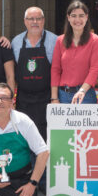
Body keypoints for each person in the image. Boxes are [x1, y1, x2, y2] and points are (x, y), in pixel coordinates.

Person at [12, 7, 57, 139]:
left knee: (44, 137)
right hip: (23, 100)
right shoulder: (16, 42)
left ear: (43, 20)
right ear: (25, 21)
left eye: (38, 18)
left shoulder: (54, 41)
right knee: (24, 136)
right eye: (31, 19)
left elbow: (58, 70)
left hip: (46, 99)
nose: (35, 22)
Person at [51, 0, 98, 105]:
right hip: (63, 96)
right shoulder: (60, 40)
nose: (77, 19)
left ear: (86, 17)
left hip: (86, 95)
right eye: (73, 16)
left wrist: (82, 91)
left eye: (81, 16)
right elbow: (55, 70)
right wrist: (54, 98)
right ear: (68, 17)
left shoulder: (95, 40)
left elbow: (94, 69)